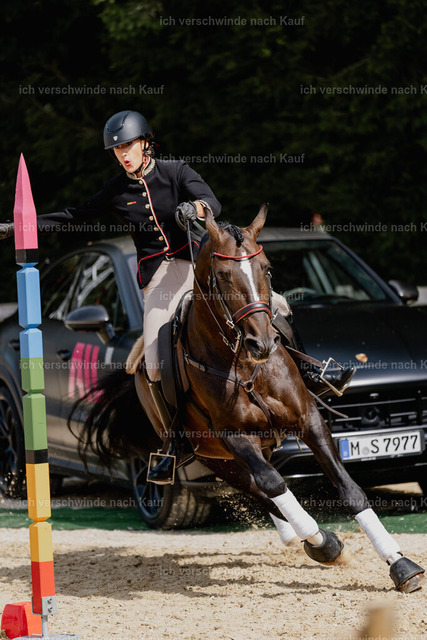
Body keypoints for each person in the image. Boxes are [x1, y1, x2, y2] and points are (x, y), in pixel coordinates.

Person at [0, 110, 354, 483]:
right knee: (154, 363)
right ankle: (174, 440)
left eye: (128, 146)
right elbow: (74, 216)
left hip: (198, 270)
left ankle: (313, 374)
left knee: (276, 307)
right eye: (117, 149)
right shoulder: (116, 191)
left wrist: (194, 208)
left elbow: (212, 203)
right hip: (159, 282)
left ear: (145, 143)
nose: (123, 154)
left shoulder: (175, 171)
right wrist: (19, 227)